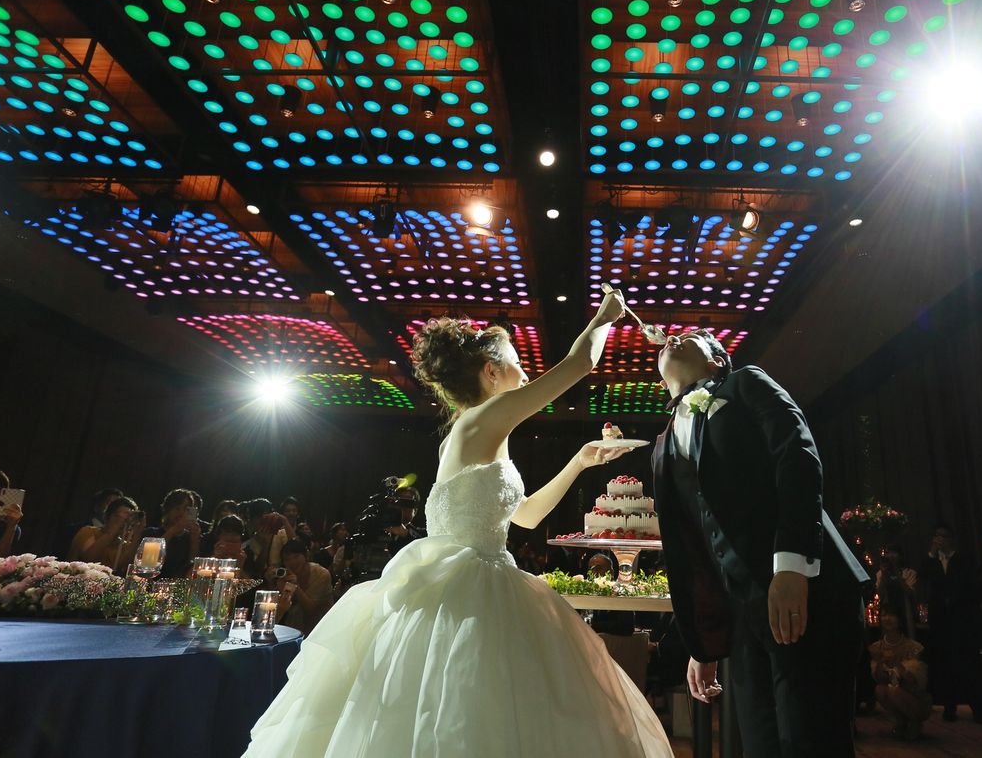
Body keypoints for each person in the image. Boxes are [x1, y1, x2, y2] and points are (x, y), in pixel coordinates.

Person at [243, 291, 672, 757]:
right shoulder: (482, 420)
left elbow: (526, 515)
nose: (525, 374)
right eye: (516, 363)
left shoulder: (476, 432)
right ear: (491, 372)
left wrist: (580, 461)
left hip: (474, 576)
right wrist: (606, 315)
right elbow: (579, 364)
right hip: (468, 587)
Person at [651, 329, 869, 757]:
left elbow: (797, 456)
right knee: (759, 744)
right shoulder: (663, 445)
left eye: (693, 335)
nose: (674, 336)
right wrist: (703, 642)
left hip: (809, 590)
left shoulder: (744, 383)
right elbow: (694, 545)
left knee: (810, 741)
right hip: (741, 616)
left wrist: (791, 566)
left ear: (717, 360)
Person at [920, 524, 982, 724]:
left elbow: (971, 584)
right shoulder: (933, 561)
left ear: (951, 539)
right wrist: (932, 554)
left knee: (969, 663)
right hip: (941, 621)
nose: (939, 540)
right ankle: (949, 706)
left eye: (943, 536)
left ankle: (978, 708)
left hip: (962, 619)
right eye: (936, 536)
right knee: (944, 664)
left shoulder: (964, 559)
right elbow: (923, 576)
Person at [869, 606, 933, 740]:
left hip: (915, 698)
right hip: (893, 692)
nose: (887, 619)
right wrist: (880, 662)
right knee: (880, 689)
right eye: (884, 615)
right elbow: (880, 679)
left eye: (892, 615)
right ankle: (901, 721)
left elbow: (916, 682)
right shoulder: (877, 647)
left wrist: (898, 665)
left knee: (894, 691)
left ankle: (915, 722)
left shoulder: (913, 647)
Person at [68, 495, 144, 572]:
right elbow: (89, 560)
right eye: (117, 516)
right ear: (107, 516)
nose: (123, 521)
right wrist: (113, 530)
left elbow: (126, 568)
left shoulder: (123, 545)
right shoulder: (88, 531)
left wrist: (137, 534)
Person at [277, 539, 334, 635]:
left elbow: (311, 610)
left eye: (296, 556)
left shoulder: (321, 574)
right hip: (293, 629)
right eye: (287, 559)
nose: (292, 562)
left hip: (320, 627)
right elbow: (281, 610)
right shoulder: (285, 576)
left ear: (306, 556)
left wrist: (296, 586)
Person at [146, 489, 203, 578]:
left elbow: (193, 567)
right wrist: (173, 530)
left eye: (186, 509)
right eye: (177, 508)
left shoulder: (189, 538)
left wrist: (194, 540)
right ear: (168, 510)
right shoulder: (152, 533)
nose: (181, 513)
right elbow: (149, 562)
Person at [876, 543, 919, 638]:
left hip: (905, 612)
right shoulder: (881, 574)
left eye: (894, 553)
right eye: (888, 553)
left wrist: (897, 573)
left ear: (900, 555)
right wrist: (884, 575)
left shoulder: (910, 573)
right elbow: (879, 593)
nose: (891, 556)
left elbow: (910, 594)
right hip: (887, 612)